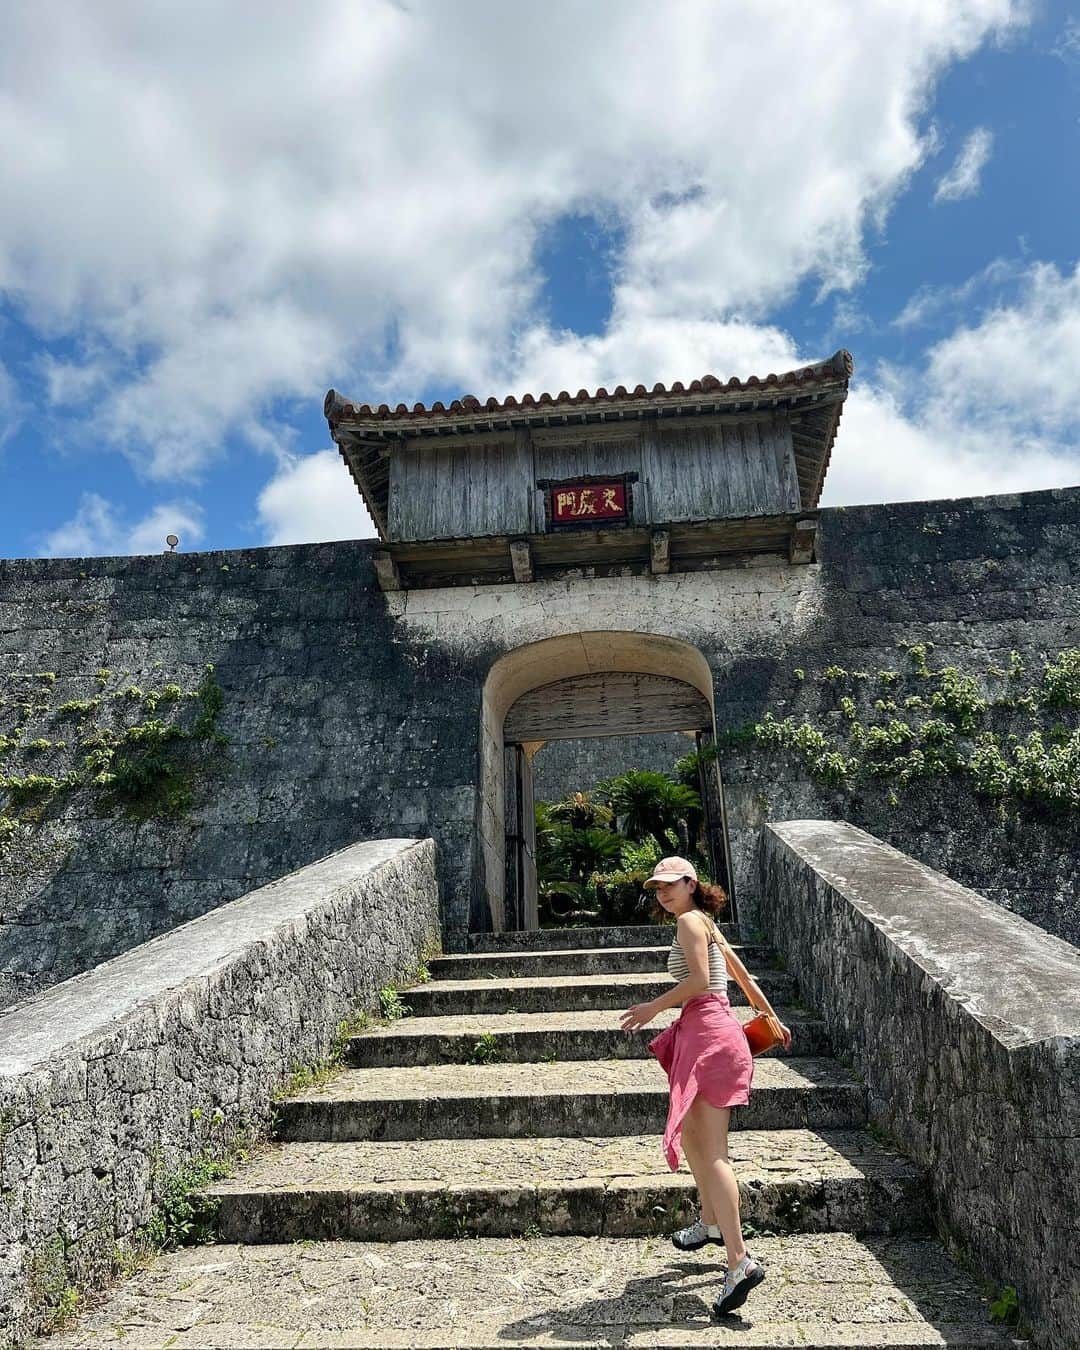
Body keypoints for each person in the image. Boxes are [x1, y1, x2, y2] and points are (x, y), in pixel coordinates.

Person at [618, 855, 792, 1319]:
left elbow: (698, 981)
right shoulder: (704, 922)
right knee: (696, 1142)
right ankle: (710, 1224)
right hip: (715, 1032)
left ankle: (738, 1261)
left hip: (709, 1034)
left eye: (670, 884)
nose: (662, 893)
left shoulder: (690, 923)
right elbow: (740, 975)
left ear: (691, 883)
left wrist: (652, 1007)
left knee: (712, 1152)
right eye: (657, 887)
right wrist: (771, 1014)